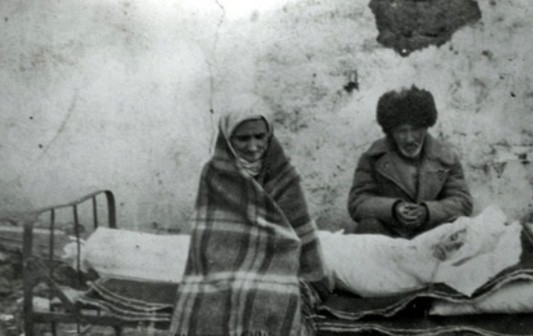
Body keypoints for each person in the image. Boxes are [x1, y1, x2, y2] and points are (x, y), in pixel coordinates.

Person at [170, 95, 326, 336]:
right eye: (242, 138)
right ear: (228, 139)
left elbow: (298, 227)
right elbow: (211, 237)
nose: (253, 146)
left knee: (271, 293)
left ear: (269, 136)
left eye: (259, 137)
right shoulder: (213, 173)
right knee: (223, 293)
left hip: (279, 258)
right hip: (227, 264)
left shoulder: (283, 174)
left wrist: (306, 271)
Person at [348, 86, 473, 239]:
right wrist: (393, 209)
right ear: (391, 131)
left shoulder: (446, 157)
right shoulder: (373, 157)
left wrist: (428, 212)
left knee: (461, 230)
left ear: (426, 127)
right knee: (367, 227)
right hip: (389, 236)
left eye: (415, 130)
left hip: (432, 235)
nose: (409, 139)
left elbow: (462, 201)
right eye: (401, 131)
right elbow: (358, 201)